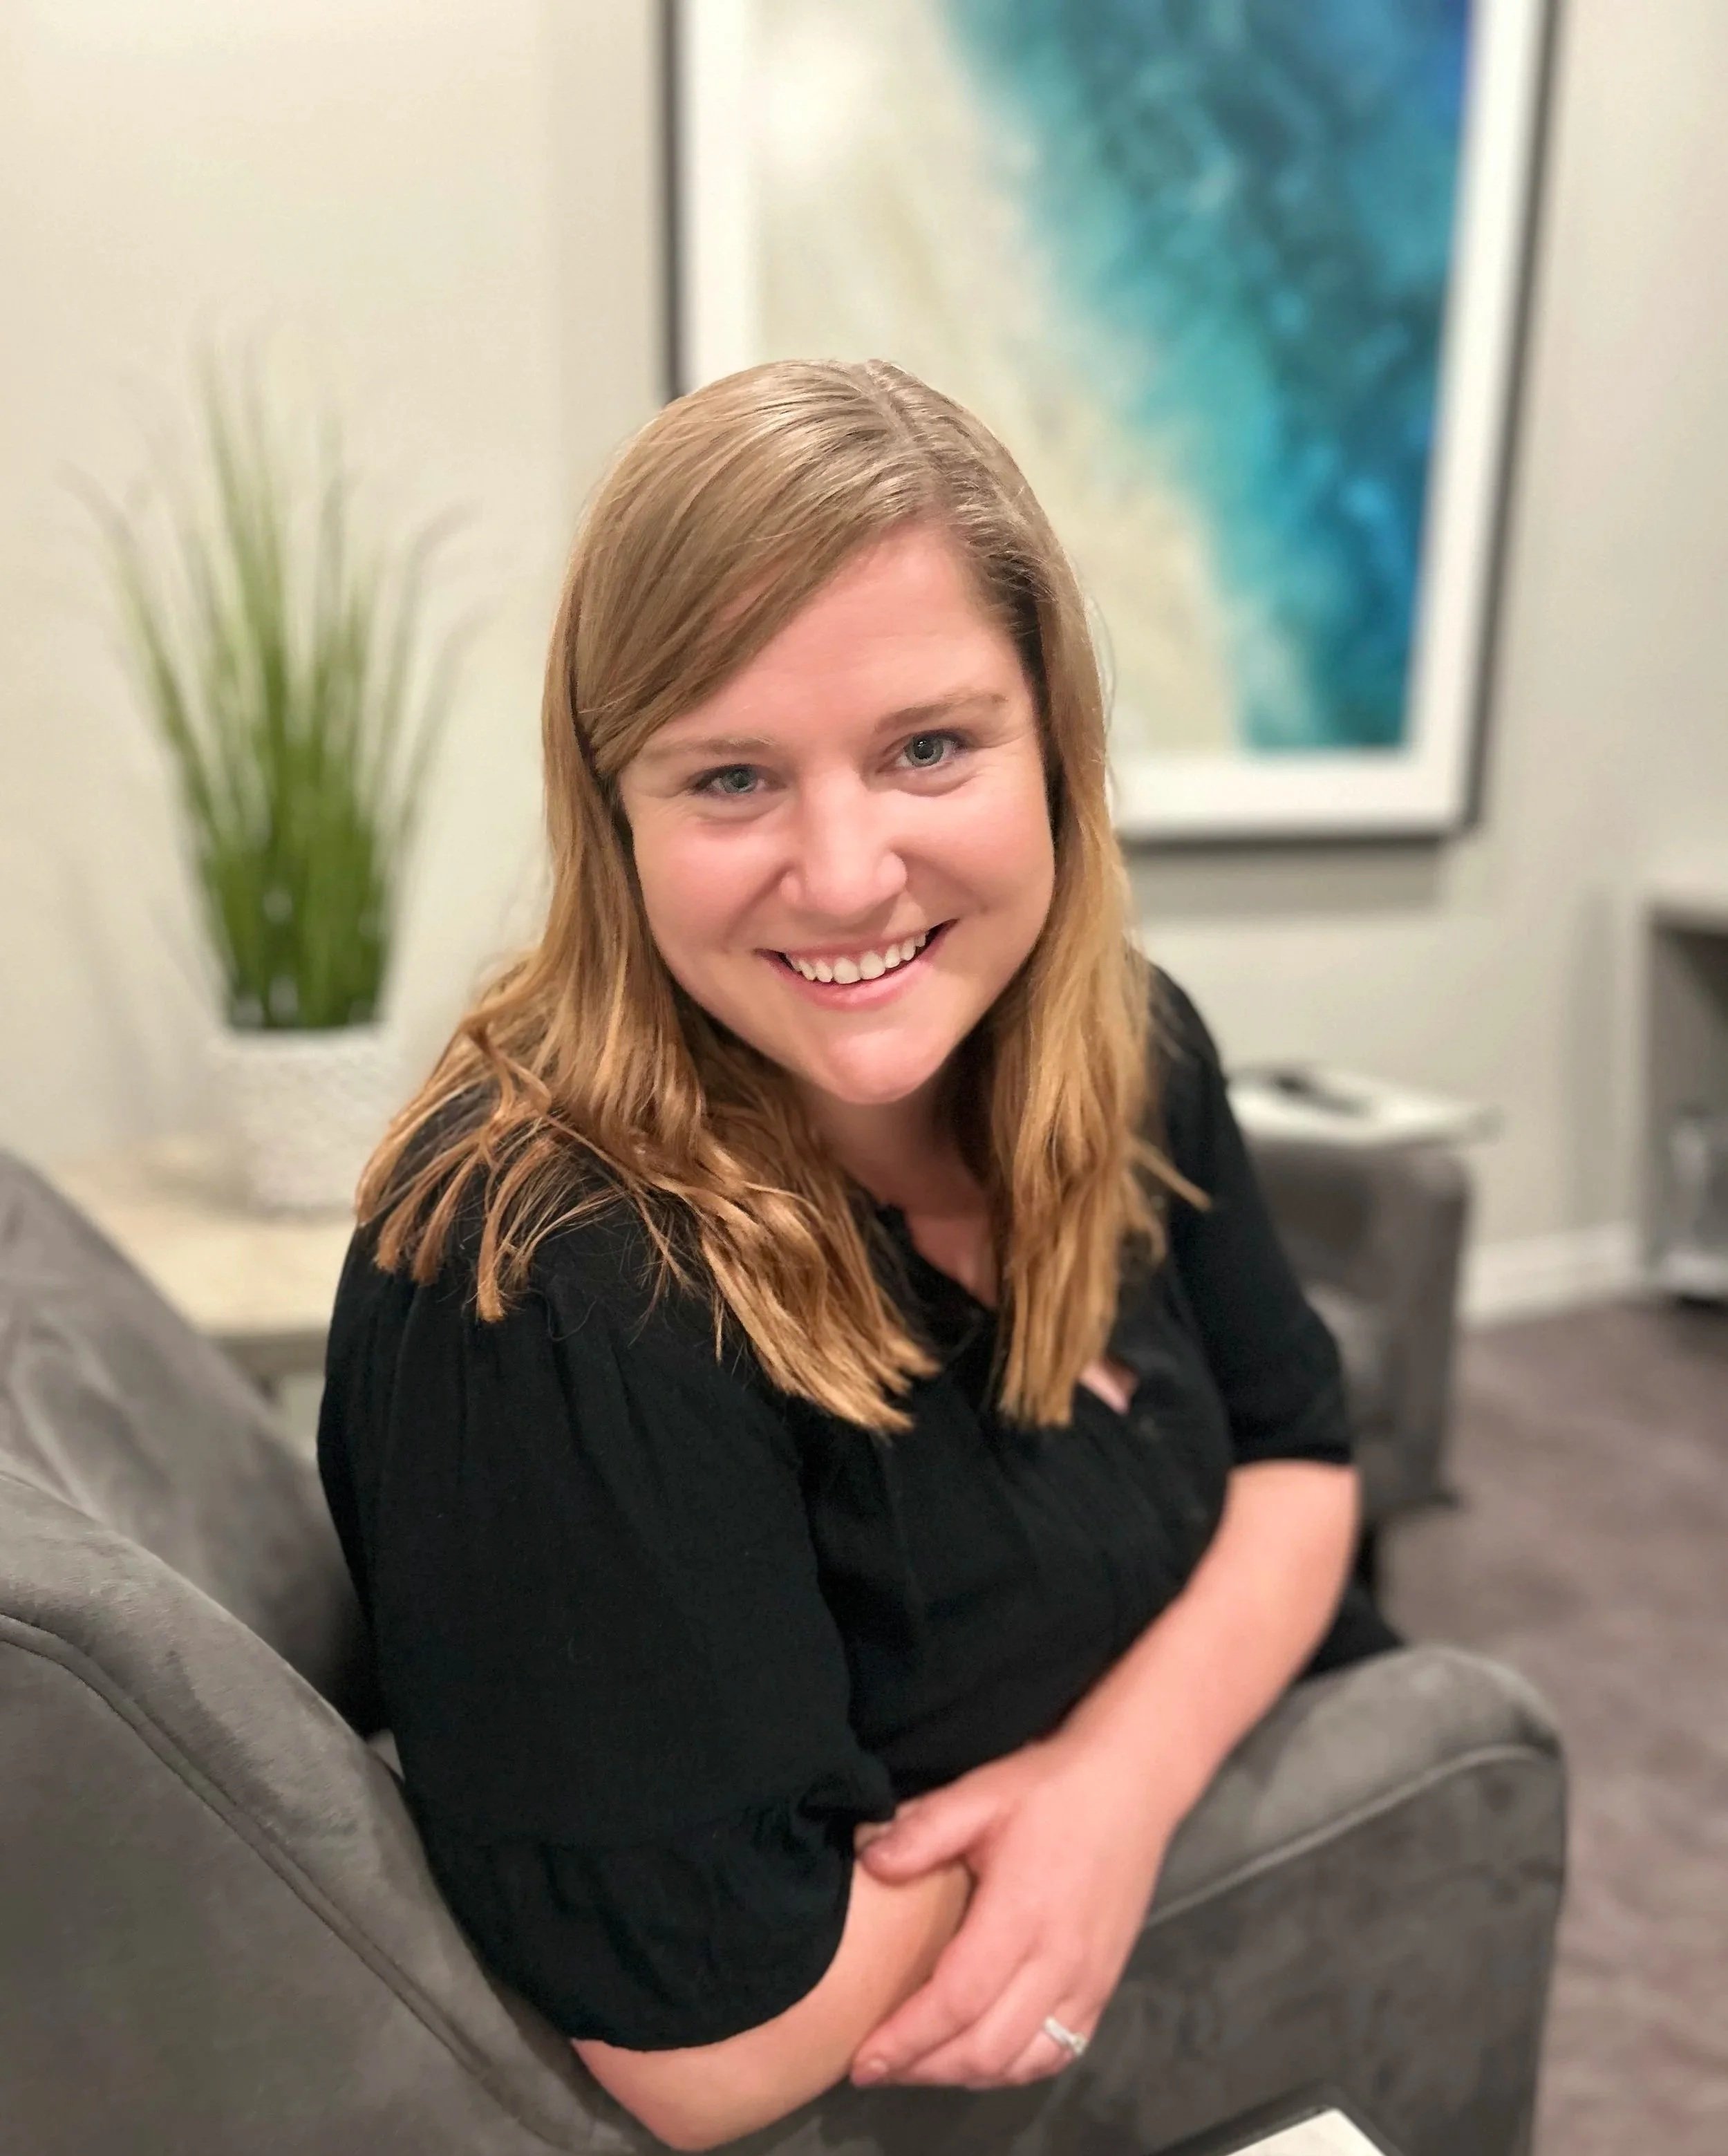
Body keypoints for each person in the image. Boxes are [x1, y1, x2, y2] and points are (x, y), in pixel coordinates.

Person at [317, 357, 1400, 2152]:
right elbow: (712, 2044)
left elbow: (1301, 1458)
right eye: (731, 776)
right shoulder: (552, 1283)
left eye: (927, 748)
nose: (843, 875)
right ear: (615, 814)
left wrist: (1108, 1788)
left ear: (1053, 739)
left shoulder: (1123, 1046)